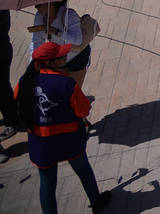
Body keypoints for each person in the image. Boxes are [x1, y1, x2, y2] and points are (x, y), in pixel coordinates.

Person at [16, 42, 112, 214]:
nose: (65, 57)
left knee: (47, 183)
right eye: (61, 56)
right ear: (50, 62)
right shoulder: (65, 83)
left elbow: (17, 107)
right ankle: (96, 202)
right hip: (68, 140)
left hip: (40, 142)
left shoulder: (24, 82)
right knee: (83, 169)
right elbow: (83, 110)